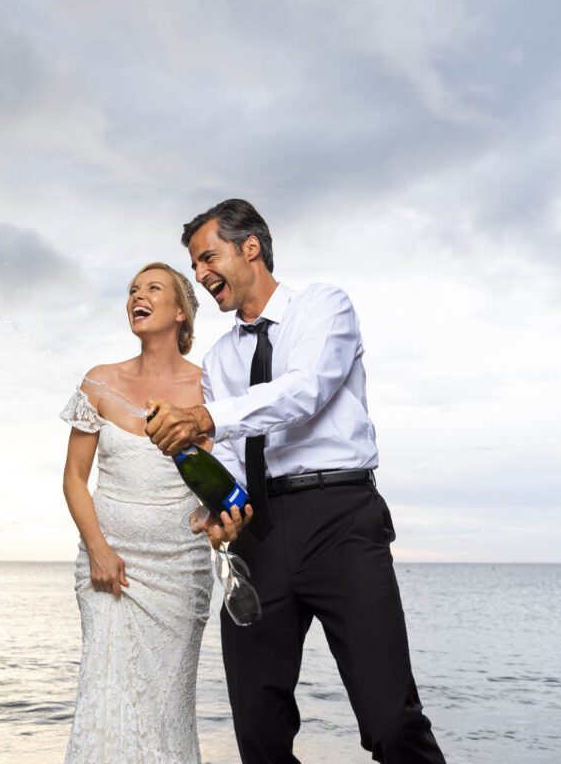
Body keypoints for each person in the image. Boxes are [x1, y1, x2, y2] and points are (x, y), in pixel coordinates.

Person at [145, 199, 446, 764]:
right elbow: (233, 455)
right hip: (259, 534)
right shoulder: (218, 360)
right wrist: (219, 506)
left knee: (389, 722)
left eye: (208, 257)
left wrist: (209, 419)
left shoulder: (324, 307)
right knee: (258, 733)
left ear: (250, 247)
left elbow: (305, 390)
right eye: (194, 267)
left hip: (341, 519)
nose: (202, 275)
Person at [61, 262, 242, 763]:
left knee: (166, 712)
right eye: (132, 291)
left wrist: (219, 522)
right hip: (107, 568)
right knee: (105, 700)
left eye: (152, 288)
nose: (136, 297)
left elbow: (225, 478)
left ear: (181, 312)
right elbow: (74, 479)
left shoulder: (211, 390)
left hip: (179, 573)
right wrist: (98, 550)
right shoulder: (98, 382)